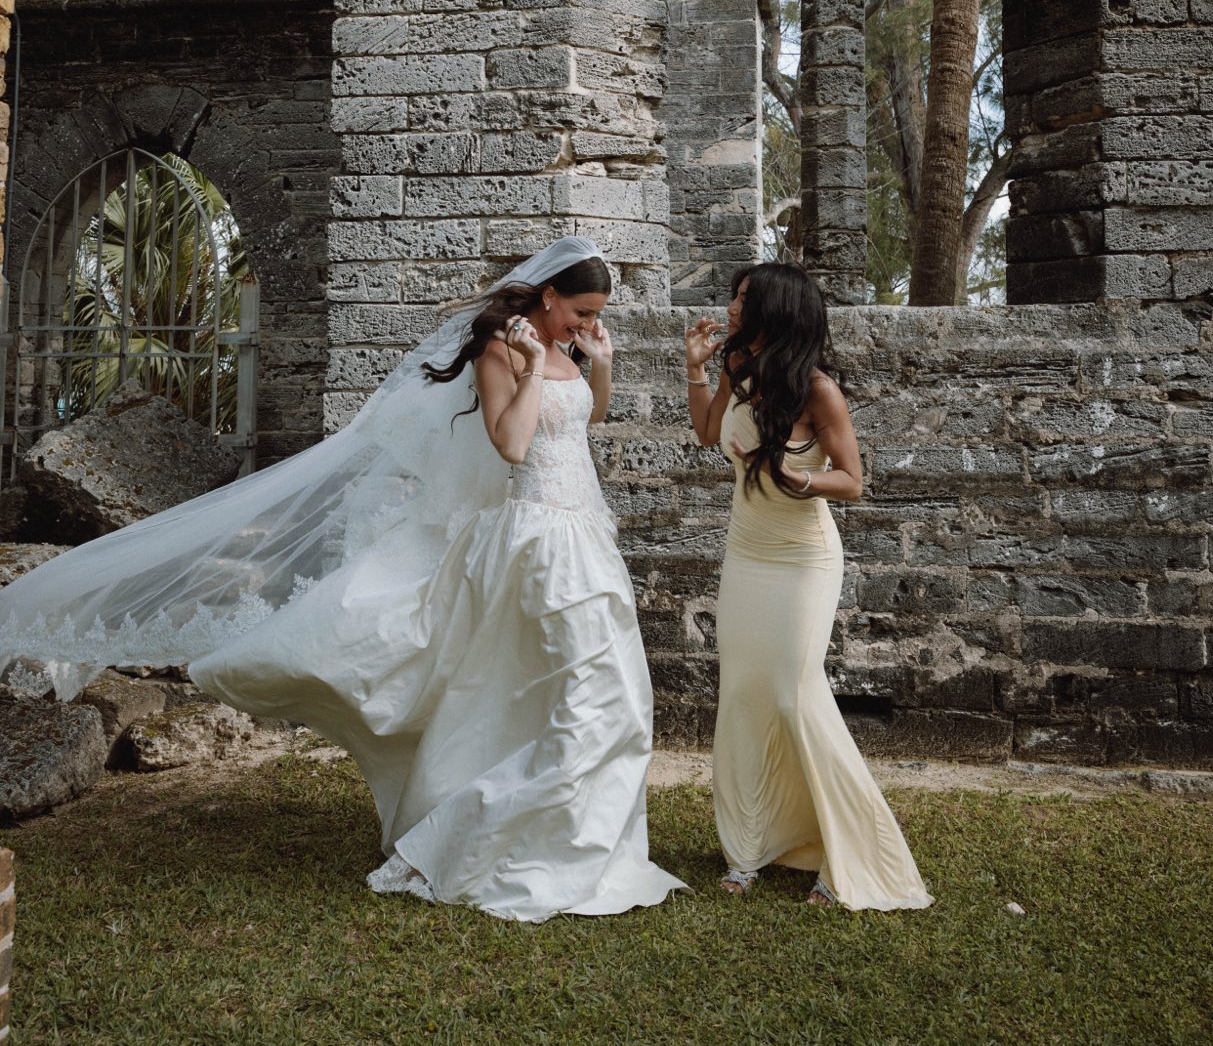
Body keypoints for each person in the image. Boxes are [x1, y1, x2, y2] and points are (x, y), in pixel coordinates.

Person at [0, 239, 682, 923]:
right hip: (537, 537)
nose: (588, 324)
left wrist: (600, 367)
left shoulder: (566, 348)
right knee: (589, 691)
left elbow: (583, 421)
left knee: (592, 691)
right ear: (548, 294)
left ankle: (577, 843)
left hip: (585, 532)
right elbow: (512, 444)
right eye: (582, 311)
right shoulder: (500, 349)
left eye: (596, 315)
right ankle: (519, 839)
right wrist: (532, 371)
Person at [685, 262, 932, 913]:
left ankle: (844, 851)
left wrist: (801, 480)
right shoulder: (738, 370)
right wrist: (695, 370)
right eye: (734, 298)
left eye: (744, 300)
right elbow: (707, 433)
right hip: (746, 553)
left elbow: (851, 480)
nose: (731, 309)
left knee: (794, 696)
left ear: (778, 311)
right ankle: (749, 847)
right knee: (744, 694)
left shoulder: (819, 391)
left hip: (803, 559)